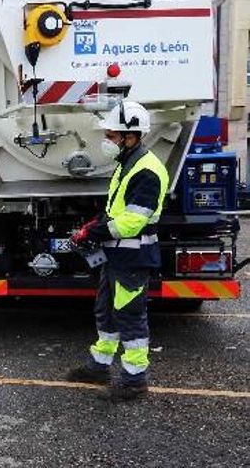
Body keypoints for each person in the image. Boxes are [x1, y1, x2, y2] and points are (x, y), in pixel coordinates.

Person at [67, 101, 169, 402]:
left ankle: (134, 381)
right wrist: (92, 224)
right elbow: (115, 211)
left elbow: (132, 221)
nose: (107, 142)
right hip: (116, 257)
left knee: (130, 318)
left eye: (112, 136)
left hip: (133, 257)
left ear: (131, 136)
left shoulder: (147, 171)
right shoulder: (128, 164)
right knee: (106, 312)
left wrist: (94, 232)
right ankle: (99, 366)